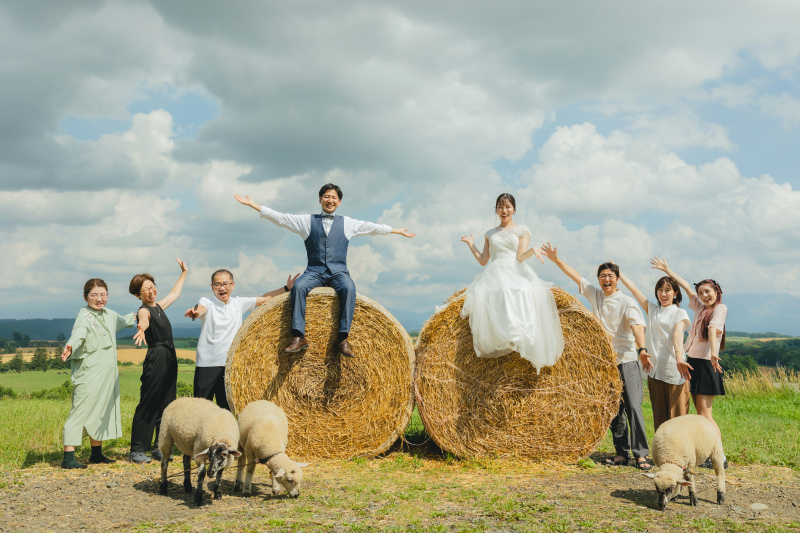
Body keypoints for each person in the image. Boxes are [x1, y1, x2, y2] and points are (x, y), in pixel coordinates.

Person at [234, 183, 416, 358]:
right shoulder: (306, 221)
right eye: (326, 196)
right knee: (298, 287)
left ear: (339, 202)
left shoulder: (348, 223)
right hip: (314, 271)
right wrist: (253, 205)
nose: (330, 200)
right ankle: (298, 336)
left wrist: (396, 230)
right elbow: (281, 218)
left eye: (334, 197)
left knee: (349, 288)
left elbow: (372, 227)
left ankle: (342, 339)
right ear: (320, 199)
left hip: (339, 272)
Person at [543, 245, 652, 470]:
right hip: (605, 364)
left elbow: (637, 325)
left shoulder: (627, 302)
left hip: (626, 360)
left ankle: (641, 454)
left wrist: (642, 349)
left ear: (618, 279)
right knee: (614, 410)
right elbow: (575, 276)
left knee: (633, 407)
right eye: (602, 276)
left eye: (610, 276)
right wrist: (555, 260)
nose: (606, 279)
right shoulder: (595, 295)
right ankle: (621, 453)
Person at [459, 193, 564, 372]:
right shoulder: (489, 234)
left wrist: (532, 250)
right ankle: (502, 336)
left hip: (515, 269)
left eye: (507, 207)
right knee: (496, 291)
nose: (504, 210)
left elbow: (520, 256)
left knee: (519, 289)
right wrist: (470, 244)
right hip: (494, 271)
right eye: (500, 207)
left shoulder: (522, 231)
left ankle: (522, 335)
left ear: (514, 209)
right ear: (496, 210)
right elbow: (483, 260)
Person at [184, 269, 300, 410]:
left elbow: (264, 299)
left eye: (225, 284)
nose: (222, 288)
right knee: (201, 408)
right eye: (217, 284)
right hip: (207, 364)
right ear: (212, 287)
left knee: (226, 409)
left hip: (230, 365)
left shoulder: (238, 303)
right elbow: (201, 309)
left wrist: (287, 288)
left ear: (232, 285)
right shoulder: (207, 302)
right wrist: (195, 312)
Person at [651, 257, 728, 468]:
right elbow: (685, 286)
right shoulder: (700, 307)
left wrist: (714, 353)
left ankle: (720, 457)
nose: (704, 296)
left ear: (717, 292)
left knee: (705, 415)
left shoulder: (720, 308)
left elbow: (713, 329)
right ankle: (705, 454)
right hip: (692, 361)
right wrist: (667, 269)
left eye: (708, 292)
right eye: (701, 293)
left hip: (706, 363)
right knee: (699, 414)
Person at [60, 278, 137, 469]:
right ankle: (68, 458)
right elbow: (79, 333)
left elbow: (127, 320)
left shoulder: (110, 315)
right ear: (85, 296)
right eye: (94, 295)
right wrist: (70, 345)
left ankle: (96, 454)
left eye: (103, 294)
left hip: (107, 376)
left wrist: (146, 310)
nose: (99, 299)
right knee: (80, 411)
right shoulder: (84, 316)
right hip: (89, 373)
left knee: (101, 410)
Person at [127, 258, 187, 464]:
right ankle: (137, 450)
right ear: (138, 295)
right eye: (145, 290)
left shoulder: (159, 306)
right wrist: (141, 328)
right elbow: (143, 319)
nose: (151, 291)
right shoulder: (144, 310)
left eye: (152, 286)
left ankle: (159, 447)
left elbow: (175, 293)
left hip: (170, 355)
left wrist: (184, 273)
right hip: (157, 356)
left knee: (167, 402)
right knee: (149, 401)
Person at [619, 271, 691, 431]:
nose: (663, 294)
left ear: (675, 292)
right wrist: (619, 273)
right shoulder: (653, 310)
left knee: (678, 420)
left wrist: (680, 359)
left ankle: (680, 448)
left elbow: (678, 335)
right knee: (660, 420)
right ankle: (662, 448)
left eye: (667, 290)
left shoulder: (679, 313)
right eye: (660, 290)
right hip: (655, 371)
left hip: (674, 371)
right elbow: (634, 290)